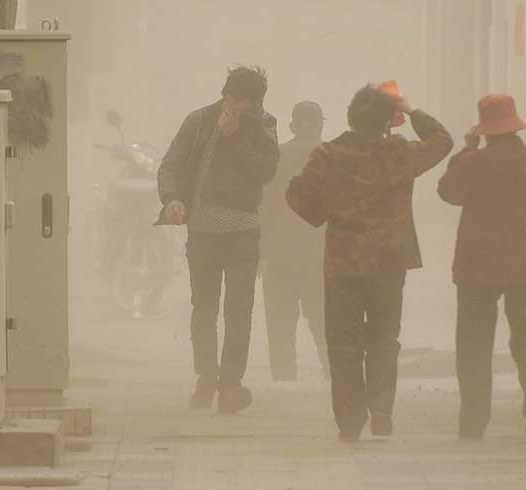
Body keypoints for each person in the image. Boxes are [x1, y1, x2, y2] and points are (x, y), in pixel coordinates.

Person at [286, 85, 453, 441]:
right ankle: (380, 408)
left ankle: (349, 420)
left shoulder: (328, 154)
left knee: (344, 343)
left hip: (343, 264)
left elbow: (297, 192)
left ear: (350, 117)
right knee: (383, 339)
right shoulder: (401, 154)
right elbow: (442, 141)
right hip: (389, 264)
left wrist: (325, 217)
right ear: (385, 121)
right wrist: (411, 111)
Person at [436, 93, 526, 442]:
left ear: (484, 130)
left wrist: (466, 150)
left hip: (477, 269)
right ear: (513, 125)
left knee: (474, 344)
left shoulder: (474, 162)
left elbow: (447, 192)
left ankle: (473, 422)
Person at [156, 65, 280, 413]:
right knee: (204, 309)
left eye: (258, 106)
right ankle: (206, 379)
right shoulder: (198, 122)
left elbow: (267, 170)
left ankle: (230, 385)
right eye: (247, 106)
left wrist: (237, 136)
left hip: (244, 232)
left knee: (239, 312)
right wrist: (172, 199)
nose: (254, 112)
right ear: (229, 99)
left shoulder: (263, 124)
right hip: (203, 233)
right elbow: (171, 166)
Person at [260, 101, 328, 381]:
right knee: (325, 325)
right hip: (323, 256)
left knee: (280, 327)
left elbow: (261, 206)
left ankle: (283, 383)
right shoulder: (334, 156)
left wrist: (260, 251)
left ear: (292, 127)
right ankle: (334, 378)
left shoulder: (275, 156)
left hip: (279, 255)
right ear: (322, 125)